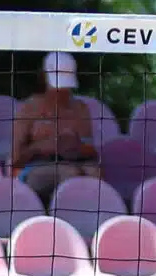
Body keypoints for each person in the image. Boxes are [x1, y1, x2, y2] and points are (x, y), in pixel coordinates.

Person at [11, 53, 101, 199]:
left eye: (66, 86)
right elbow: (15, 160)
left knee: (94, 172)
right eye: (57, 86)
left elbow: (93, 152)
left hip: (75, 162)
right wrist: (39, 147)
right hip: (35, 168)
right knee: (69, 173)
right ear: (44, 78)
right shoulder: (29, 109)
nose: (62, 91)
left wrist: (77, 147)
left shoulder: (80, 108)